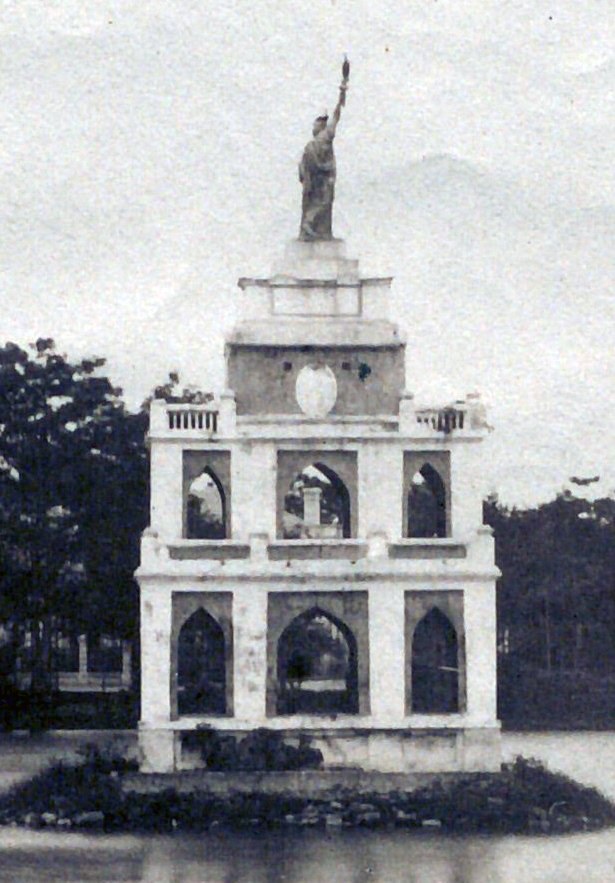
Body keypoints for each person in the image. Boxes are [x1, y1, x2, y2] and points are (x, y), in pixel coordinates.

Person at [299, 64, 349, 240]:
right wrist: (343, 87)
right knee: (325, 203)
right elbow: (337, 114)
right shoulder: (325, 137)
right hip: (324, 180)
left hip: (314, 183)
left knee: (320, 205)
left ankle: (312, 226)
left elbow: (301, 173)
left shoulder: (313, 144)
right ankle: (311, 224)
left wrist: (343, 88)